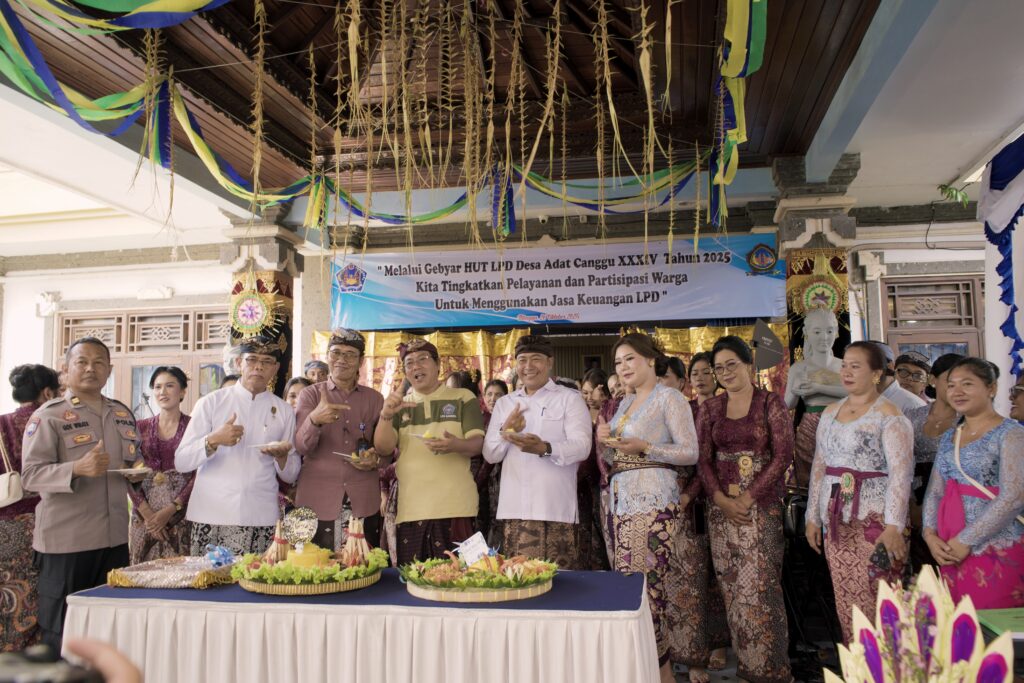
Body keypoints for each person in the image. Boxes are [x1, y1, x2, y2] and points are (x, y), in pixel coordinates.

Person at [22, 338, 141, 651]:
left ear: (109, 369)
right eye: (82, 362)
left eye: (99, 362)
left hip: (114, 540)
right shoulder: (49, 416)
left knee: (108, 628)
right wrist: (75, 469)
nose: (91, 368)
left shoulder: (121, 414)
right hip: (67, 543)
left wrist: (139, 470)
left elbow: (132, 461)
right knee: (62, 629)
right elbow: (31, 476)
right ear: (65, 370)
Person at [596, 333, 698, 683]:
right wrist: (606, 443)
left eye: (630, 359)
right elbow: (618, 456)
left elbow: (690, 452)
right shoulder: (624, 404)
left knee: (646, 593)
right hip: (622, 501)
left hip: (653, 500)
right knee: (632, 591)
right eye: (618, 363)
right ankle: (656, 673)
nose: (623, 368)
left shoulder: (670, 398)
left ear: (651, 360)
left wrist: (647, 447)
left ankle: (659, 674)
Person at [696, 335, 792, 683]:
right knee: (732, 589)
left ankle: (770, 671)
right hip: (721, 512)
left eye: (731, 365)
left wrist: (748, 498)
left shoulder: (771, 403)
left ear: (749, 365)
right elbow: (702, 460)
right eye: (718, 368)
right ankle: (745, 669)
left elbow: (783, 456)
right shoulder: (709, 409)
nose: (725, 373)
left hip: (760, 509)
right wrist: (721, 499)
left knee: (761, 589)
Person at [805, 341, 913, 642]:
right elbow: (820, 465)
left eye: (856, 366)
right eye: (844, 365)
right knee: (846, 596)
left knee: (879, 595)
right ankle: (858, 666)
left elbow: (901, 475)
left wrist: (894, 526)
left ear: (876, 373)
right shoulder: (829, 412)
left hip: (876, 519)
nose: (847, 372)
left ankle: (888, 667)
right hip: (837, 517)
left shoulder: (890, 416)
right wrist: (812, 517)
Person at [175, 337, 300, 556]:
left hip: (260, 514)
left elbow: (291, 475)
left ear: (276, 368)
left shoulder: (283, 410)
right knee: (211, 585)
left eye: (267, 361)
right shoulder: (211, 402)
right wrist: (213, 440)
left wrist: (282, 457)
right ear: (239, 363)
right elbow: (182, 461)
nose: (258, 366)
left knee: (256, 584)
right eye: (251, 359)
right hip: (212, 513)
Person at [922, 358, 1024, 608]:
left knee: (994, 630)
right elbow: (935, 491)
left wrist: (966, 540)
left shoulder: (1011, 434)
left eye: (967, 384)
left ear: (991, 388)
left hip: (995, 546)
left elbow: (1013, 497)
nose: (957, 392)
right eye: (952, 385)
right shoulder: (949, 436)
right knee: (958, 628)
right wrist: (930, 534)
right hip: (949, 548)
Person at [484, 335, 592, 568]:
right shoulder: (505, 404)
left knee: (561, 582)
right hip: (515, 509)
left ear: (550, 362)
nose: (528, 366)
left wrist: (545, 448)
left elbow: (583, 447)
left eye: (536, 359)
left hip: (555, 508)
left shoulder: (569, 399)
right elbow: (491, 455)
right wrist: (507, 430)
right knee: (520, 582)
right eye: (522, 360)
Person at [374, 339, 485, 565]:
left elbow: (477, 444)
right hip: (411, 508)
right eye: (409, 363)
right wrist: (386, 415)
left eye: (423, 360)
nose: (416, 367)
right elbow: (383, 448)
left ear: (438, 365)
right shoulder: (400, 405)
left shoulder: (463, 398)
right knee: (416, 582)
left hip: (456, 506)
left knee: (465, 582)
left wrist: (455, 445)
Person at [657, 353, 729, 681]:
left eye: (668, 378)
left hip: (695, 506)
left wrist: (688, 495)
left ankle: (705, 651)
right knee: (670, 586)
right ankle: (673, 655)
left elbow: (703, 462)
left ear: (680, 382)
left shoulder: (696, 412)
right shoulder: (646, 412)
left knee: (700, 583)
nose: (661, 385)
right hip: (660, 506)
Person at [294, 329, 386, 550]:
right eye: (336, 353)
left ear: (361, 361)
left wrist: (376, 461)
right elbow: (301, 446)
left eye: (350, 354)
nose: (341, 360)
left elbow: (385, 451)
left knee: (363, 567)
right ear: (327, 356)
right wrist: (315, 420)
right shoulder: (311, 395)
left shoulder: (375, 398)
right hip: (317, 498)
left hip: (363, 498)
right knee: (316, 570)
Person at [0, 364, 59, 651]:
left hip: (3, 527)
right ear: (47, 392)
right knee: (35, 598)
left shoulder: (1, 424)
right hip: (42, 524)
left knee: (5, 598)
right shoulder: (50, 422)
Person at [127, 367, 194, 564]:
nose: (162, 392)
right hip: (144, 516)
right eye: (157, 387)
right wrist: (149, 516)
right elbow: (129, 472)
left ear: (182, 391)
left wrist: (171, 510)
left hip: (182, 515)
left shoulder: (194, 426)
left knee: (180, 574)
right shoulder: (139, 427)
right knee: (142, 575)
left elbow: (200, 473)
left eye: (169, 386)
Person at [904, 353, 963, 569]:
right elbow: (901, 463)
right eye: (949, 380)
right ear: (932, 380)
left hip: (953, 496)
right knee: (921, 568)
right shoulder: (912, 417)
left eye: (962, 381)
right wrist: (910, 503)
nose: (954, 387)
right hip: (914, 494)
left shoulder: (966, 420)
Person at [786, 307, 848, 487]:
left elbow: (856, 393)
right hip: (810, 426)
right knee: (810, 480)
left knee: (841, 477)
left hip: (843, 424)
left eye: (829, 331)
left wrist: (818, 388)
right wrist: (795, 391)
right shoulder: (798, 368)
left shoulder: (844, 365)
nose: (824, 337)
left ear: (836, 333)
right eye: (817, 331)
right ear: (806, 333)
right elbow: (787, 404)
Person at [869, 341, 927, 413]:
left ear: (890, 366)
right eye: (904, 372)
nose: (909, 378)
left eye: (917, 376)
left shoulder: (913, 406)